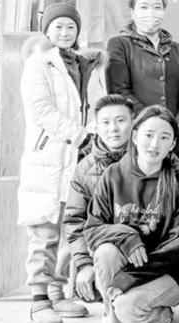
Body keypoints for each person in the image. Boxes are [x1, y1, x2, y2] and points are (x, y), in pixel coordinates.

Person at [18, 3, 108, 323]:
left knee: (72, 228)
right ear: (46, 30)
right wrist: (81, 136)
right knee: (44, 229)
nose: (65, 32)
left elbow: (95, 107)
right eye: (58, 26)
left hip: (81, 157)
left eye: (71, 27)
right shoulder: (38, 63)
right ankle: (39, 300)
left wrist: (95, 137)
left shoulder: (85, 64)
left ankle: (57, 295)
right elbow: (40, 110)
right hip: (50, 156)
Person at [85, 105, 179, 323]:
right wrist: (127, 236)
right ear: (134, 136)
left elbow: (178, 247)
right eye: (148, 135)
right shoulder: (113, 174)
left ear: (172, 144)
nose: (154, 144)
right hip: (126, 266)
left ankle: (151, 313)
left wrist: (128, 278)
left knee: (128, 306)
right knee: (106, 252)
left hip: (170, 271)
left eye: (164, 137)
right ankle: (116, 318)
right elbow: (93, 229)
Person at [64, 94, 134, 314]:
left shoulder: (149, 158)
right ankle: (112, 312)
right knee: (106, 253)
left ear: (133, 123)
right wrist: (84, 264)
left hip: (144, 251)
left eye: (120, 120)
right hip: (103, 255)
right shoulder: (85, 169)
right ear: (97, 127)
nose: (113, 129)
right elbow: (74, 220)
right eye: (105, 122)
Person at [106, 0, 179, 156]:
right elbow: (119, 91)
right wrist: (151, 122)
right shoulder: (119, 44)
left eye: (157, 7)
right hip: (140, 132)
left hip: (174, 133)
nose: (150, 12)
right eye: (144, 7)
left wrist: (177, 122)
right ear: (132, 12)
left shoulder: (178, 49)